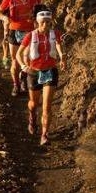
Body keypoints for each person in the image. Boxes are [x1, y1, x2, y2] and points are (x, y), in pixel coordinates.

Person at [16, 9, 66, 146]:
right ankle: (32, 116)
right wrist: (23, 66)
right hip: (34, 72)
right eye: (43, 22)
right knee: (33, 103)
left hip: (50, 71)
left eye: (48, 22)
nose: (45, 25)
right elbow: (18, 54)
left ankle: (44, 134)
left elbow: (58, 45)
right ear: (37, 22)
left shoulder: (55, 33)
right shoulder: (30, 36)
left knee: (46, 107)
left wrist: (62, 57)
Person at [0, 0, 42, 96]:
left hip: (30, 31)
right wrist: (5, 18)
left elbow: (40, 11)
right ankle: (16, 84)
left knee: (27, 58)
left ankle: (24, 79)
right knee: (15, 61)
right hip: (14, 30)